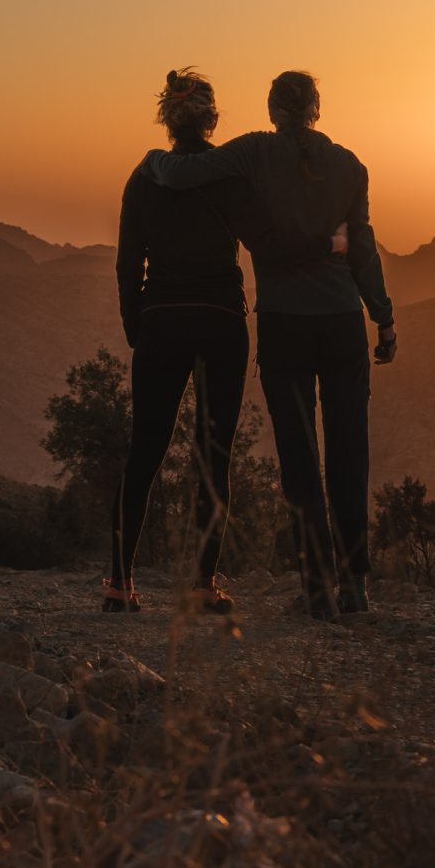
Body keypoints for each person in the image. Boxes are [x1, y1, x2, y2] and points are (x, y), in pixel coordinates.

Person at [139, 70, 396, 620]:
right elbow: (364, 249)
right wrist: (385, 317)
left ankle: (316, 588)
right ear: (316, 109)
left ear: (272, 109)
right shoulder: (351, 166)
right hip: (343, 321)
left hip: (285, 324)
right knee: (350, 452)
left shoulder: (255, 152)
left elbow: (184, 173)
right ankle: (356, 586)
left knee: (300, 459)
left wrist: (151, 161)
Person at [109, 68, 342, 615]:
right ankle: (202, 585)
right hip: (219, 323)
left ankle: (119, 585)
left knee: (144, 450)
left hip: (161, 320)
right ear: (212, 119)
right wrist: (330, 240)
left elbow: (127, 262)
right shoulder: (230, 178)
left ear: (168, 120)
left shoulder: (143, 178)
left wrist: (136, 325)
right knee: (214, 455)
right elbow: (266, 242)